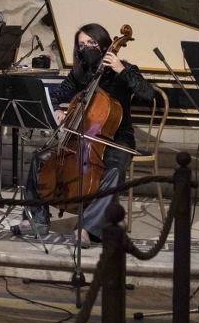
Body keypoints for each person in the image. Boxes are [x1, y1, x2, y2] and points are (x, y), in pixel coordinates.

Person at [20, 23, 154, 246]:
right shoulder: (80, 74)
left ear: (102, 44)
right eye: (81, 45)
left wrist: (122, 69)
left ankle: (88, 227)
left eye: (91, 43)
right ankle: (36, 218)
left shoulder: (124, 70)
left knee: (114, 171)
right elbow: (54, 97)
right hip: (81, 135)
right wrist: (58, 111)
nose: (86, 48)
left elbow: (148, 95)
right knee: (39, 158)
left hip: (117, 137)